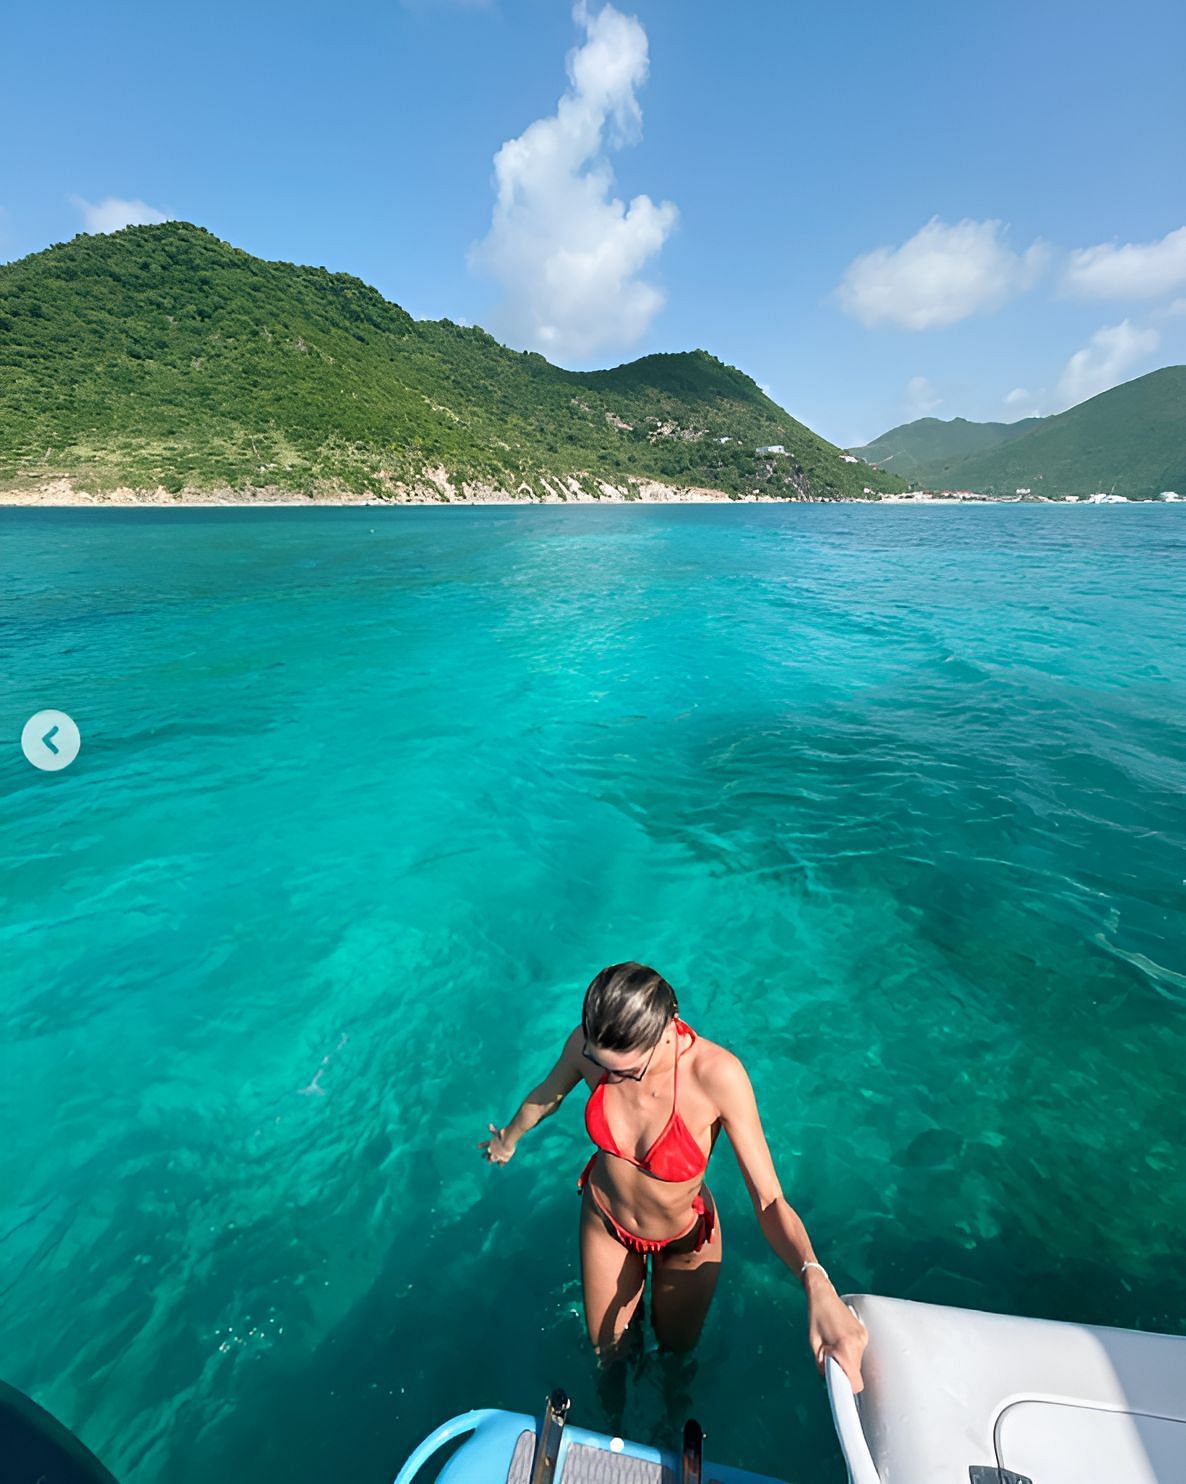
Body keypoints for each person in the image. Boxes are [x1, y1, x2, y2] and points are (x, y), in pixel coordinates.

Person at [479, 961, 867, 1394]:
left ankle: (670, 1424)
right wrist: (508, 1140)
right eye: (598, 1062)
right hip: (606, 1220)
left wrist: (815, 1279)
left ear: (666, 1028)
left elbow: (770, 1200)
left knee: (675, 1356)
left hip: (686, 1238)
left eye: (627, 1071)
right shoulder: (589, 1043)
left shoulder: (716, 1075)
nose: (613, 1078)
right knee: (608, 1356)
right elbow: (549, 1093)